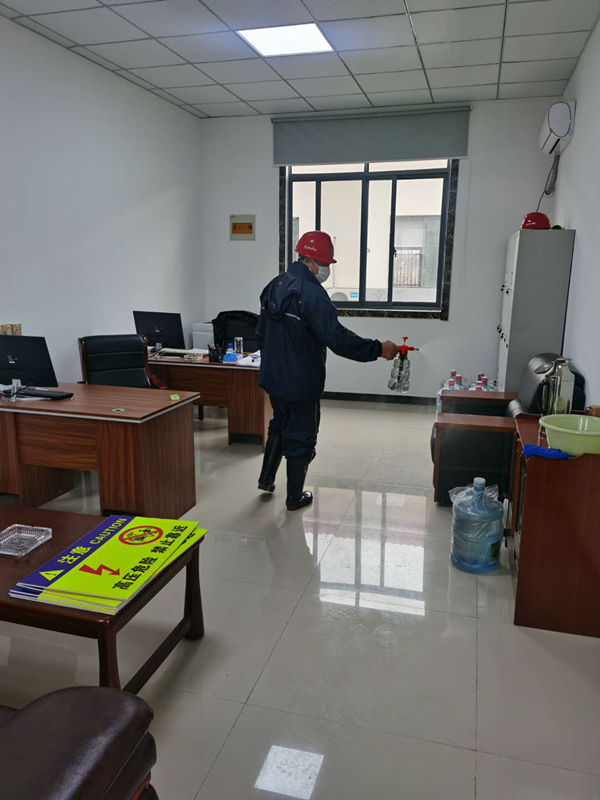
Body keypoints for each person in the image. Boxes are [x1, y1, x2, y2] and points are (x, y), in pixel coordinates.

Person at [256, 231, 398, 511]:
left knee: (280, 424)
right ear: (312, 262)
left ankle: (266, 479)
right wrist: (378, 349)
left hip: (274, 378)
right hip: (301, 383)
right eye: (325, 264)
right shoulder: (313, 294)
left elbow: (260, 332)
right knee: (302, 436)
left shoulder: (274, 285)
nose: (326, 270)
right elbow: (338, 339)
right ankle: (294, 497)